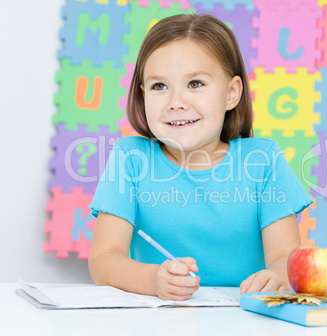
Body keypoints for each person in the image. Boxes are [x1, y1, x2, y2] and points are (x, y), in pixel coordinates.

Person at [88, 14, 312, 301]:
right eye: (159, 86)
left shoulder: (263, 160)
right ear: (143, 95)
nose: (176, 103)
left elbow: (285, 256)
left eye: (195, 83)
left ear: (231, 93)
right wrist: (153, 280)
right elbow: (103, 260)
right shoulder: (130, 159)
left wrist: (278, 277)